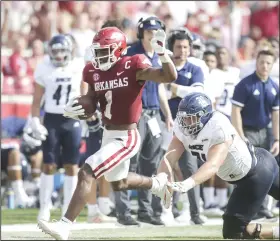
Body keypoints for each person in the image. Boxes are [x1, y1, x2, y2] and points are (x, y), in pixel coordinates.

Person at [37, 26, 177, 240]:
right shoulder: (92, 70)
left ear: (119, 50)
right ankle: (157, 184)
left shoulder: (133, 64)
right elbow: (91, 101)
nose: (100, 55)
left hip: (127, 136)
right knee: (119, 182)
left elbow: (167, 76)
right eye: (98, 50)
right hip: (108, 133)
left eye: (105, 50)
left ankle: (65, 226)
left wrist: (162, 54)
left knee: (87, 171)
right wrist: (78, 108)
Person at [158, 92, 279, 240]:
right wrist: (161, 179)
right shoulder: (183, 127)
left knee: (235, 233)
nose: (185, 123)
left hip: (256, 174)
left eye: (190, 118)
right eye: (183, 118)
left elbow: (213, 165)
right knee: (232, 231)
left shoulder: (218, 126)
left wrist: (187, 184)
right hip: (249, 171)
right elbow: (168, 159)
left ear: (204, 116)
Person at [113, 16, 173, 226]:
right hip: (134, 115)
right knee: (128, 162)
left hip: (154, 113)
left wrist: (167, 114)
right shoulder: (130, 53)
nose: (153, 35)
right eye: (149, 32)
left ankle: (145, 211)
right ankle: (124, 212)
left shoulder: (159, 53)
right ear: (141, 33)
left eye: (156, 32)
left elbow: (160, 88)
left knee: (150, 164)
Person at [27, 34, 85, 221]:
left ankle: (67, 210)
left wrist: (86, 117)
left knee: (71, 166)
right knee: (49, 163)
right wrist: (35, 120)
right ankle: (44, 207)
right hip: (52, 118)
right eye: (56, 51)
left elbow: (85, 96)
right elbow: (36, 101)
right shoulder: (44, 67)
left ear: (69, 51)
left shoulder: (78, 66)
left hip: (72, 118)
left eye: (62, 51)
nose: (59, 55)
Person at [162, 28, 205, 225]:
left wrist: (175, 89)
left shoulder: (195, 68)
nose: (183, 50)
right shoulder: (165, 67)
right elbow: (160, 92)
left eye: (186, 46)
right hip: (167, 121)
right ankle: (166, 209)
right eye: (179, 46)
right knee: (166, 167)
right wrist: (177, 91)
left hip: (189, 125)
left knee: (190, 168)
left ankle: (194, 211)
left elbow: (198, 93)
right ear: (172, 47)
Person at [231, 49, 279, 220]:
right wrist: (240, 135)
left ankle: (263, 208)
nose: (264, 65)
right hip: (248, 132)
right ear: (256, 62)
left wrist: (277, 139)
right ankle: (241, 209)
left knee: (268, 170)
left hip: (265, 133)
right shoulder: (245, 84)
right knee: (247, 171)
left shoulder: (274, 87)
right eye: (261, 62)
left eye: (268, 63)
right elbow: (236, 110)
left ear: (272, 65)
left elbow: (275, 114)